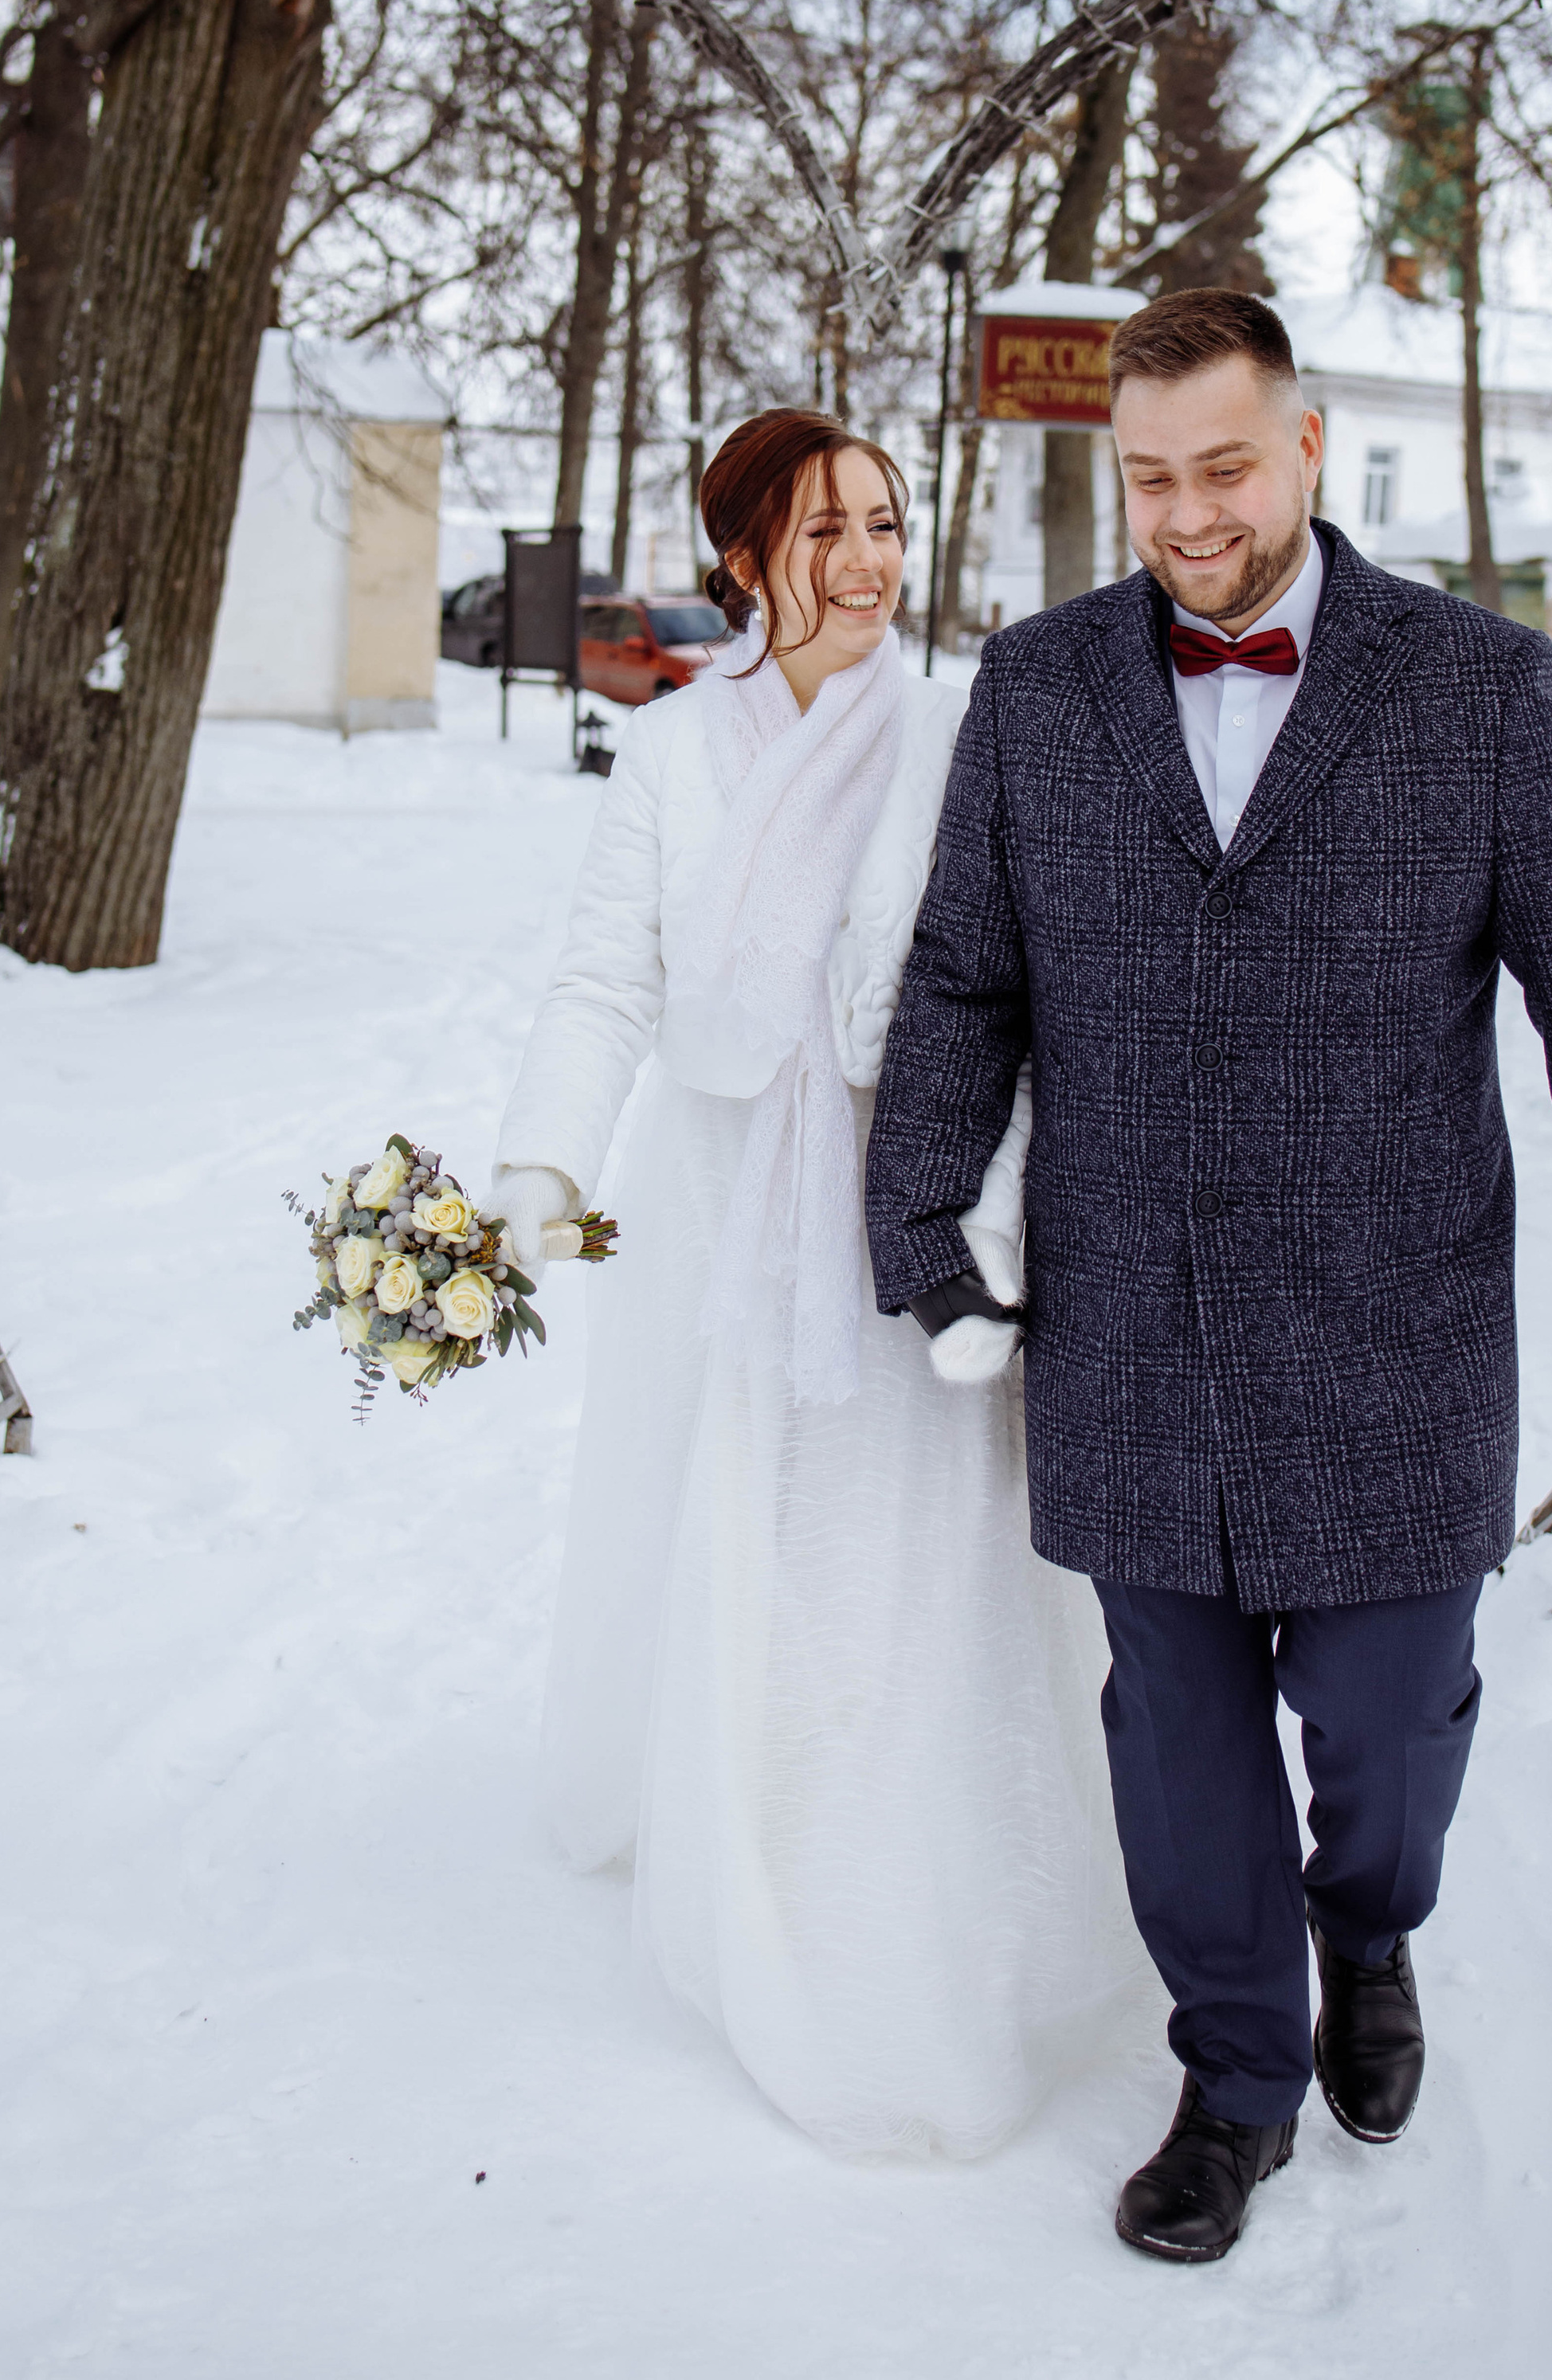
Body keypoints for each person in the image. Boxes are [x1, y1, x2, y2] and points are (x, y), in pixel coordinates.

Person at [865, 288, 1552, 2261]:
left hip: (1394, 1331)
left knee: (1387, 1718)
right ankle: (1234, 2076)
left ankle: (1372, 1926)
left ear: (1307, 444)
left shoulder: (1477, 690)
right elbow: (967, 978)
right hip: (1127, 1333)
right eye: (1147, 477)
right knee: (1173, 1741)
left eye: (1222, 466)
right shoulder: (1039, 686)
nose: (1185, 514)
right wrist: (918, 1220)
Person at [492, 407, 1139, 2157]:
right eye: (823, 530)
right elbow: (603, 979)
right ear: (739, 561)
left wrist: (992, 1219)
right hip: (717, 1208)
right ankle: (743, 1834)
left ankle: (903, 1891)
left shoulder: (950, 737)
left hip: (902, 1215)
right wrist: (542, 1160)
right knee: (739, 1532)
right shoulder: (672, 754)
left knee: (906, 1561)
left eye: (883, 521)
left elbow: (1020, 1008)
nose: (865, 561)